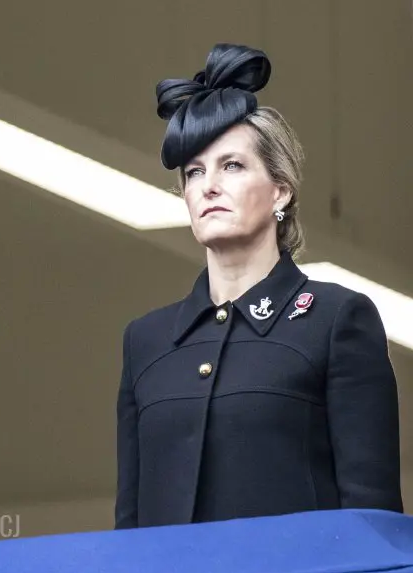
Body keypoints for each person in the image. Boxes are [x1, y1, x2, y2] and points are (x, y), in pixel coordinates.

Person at [115, 44, 402, 529]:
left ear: (281, 190)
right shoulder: (146, 341)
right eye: (194, 172)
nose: (208, 186)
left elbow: (373, 522)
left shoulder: (336, 320)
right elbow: (130, 524)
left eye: (232, 166)